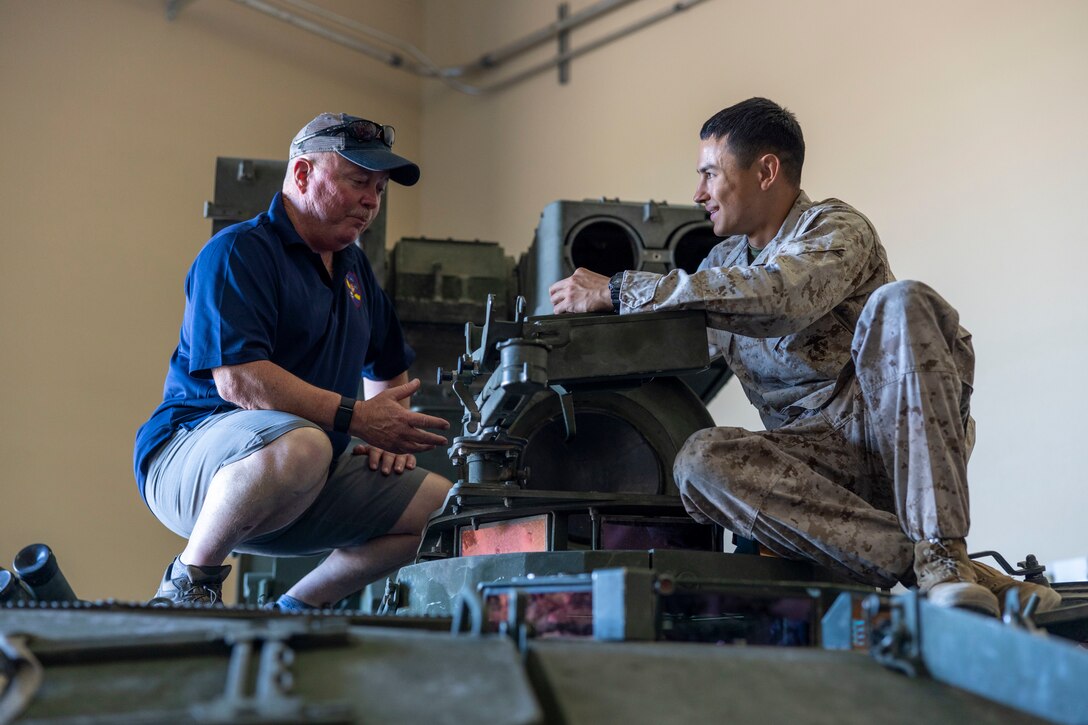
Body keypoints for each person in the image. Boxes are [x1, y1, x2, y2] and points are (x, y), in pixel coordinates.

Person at [549, 97, 1060, 617]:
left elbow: (779, 298)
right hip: (814, 469)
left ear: (766, 170)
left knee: (902, 300)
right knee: (700, 461)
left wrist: (621, 290)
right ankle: (941, 567)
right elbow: (666, 350)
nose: (698, 194)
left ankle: (943, 555)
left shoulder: (837, 228)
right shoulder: (721, 261)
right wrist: (555, 351)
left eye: (710, 174)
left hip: (894, 440)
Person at [134, 113, 452, 610]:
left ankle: (296, 608)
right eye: (358, 181)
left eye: (381, 188)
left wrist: (393, 435)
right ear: (302, 175)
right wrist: (358, 419)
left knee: (444, 511)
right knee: (305, 445)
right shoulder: (238, 251)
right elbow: (241, 382)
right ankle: (188, 585)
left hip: (303, 474)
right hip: (191, 461)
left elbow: (388, 366)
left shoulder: (354, 270)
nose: (372, 200)